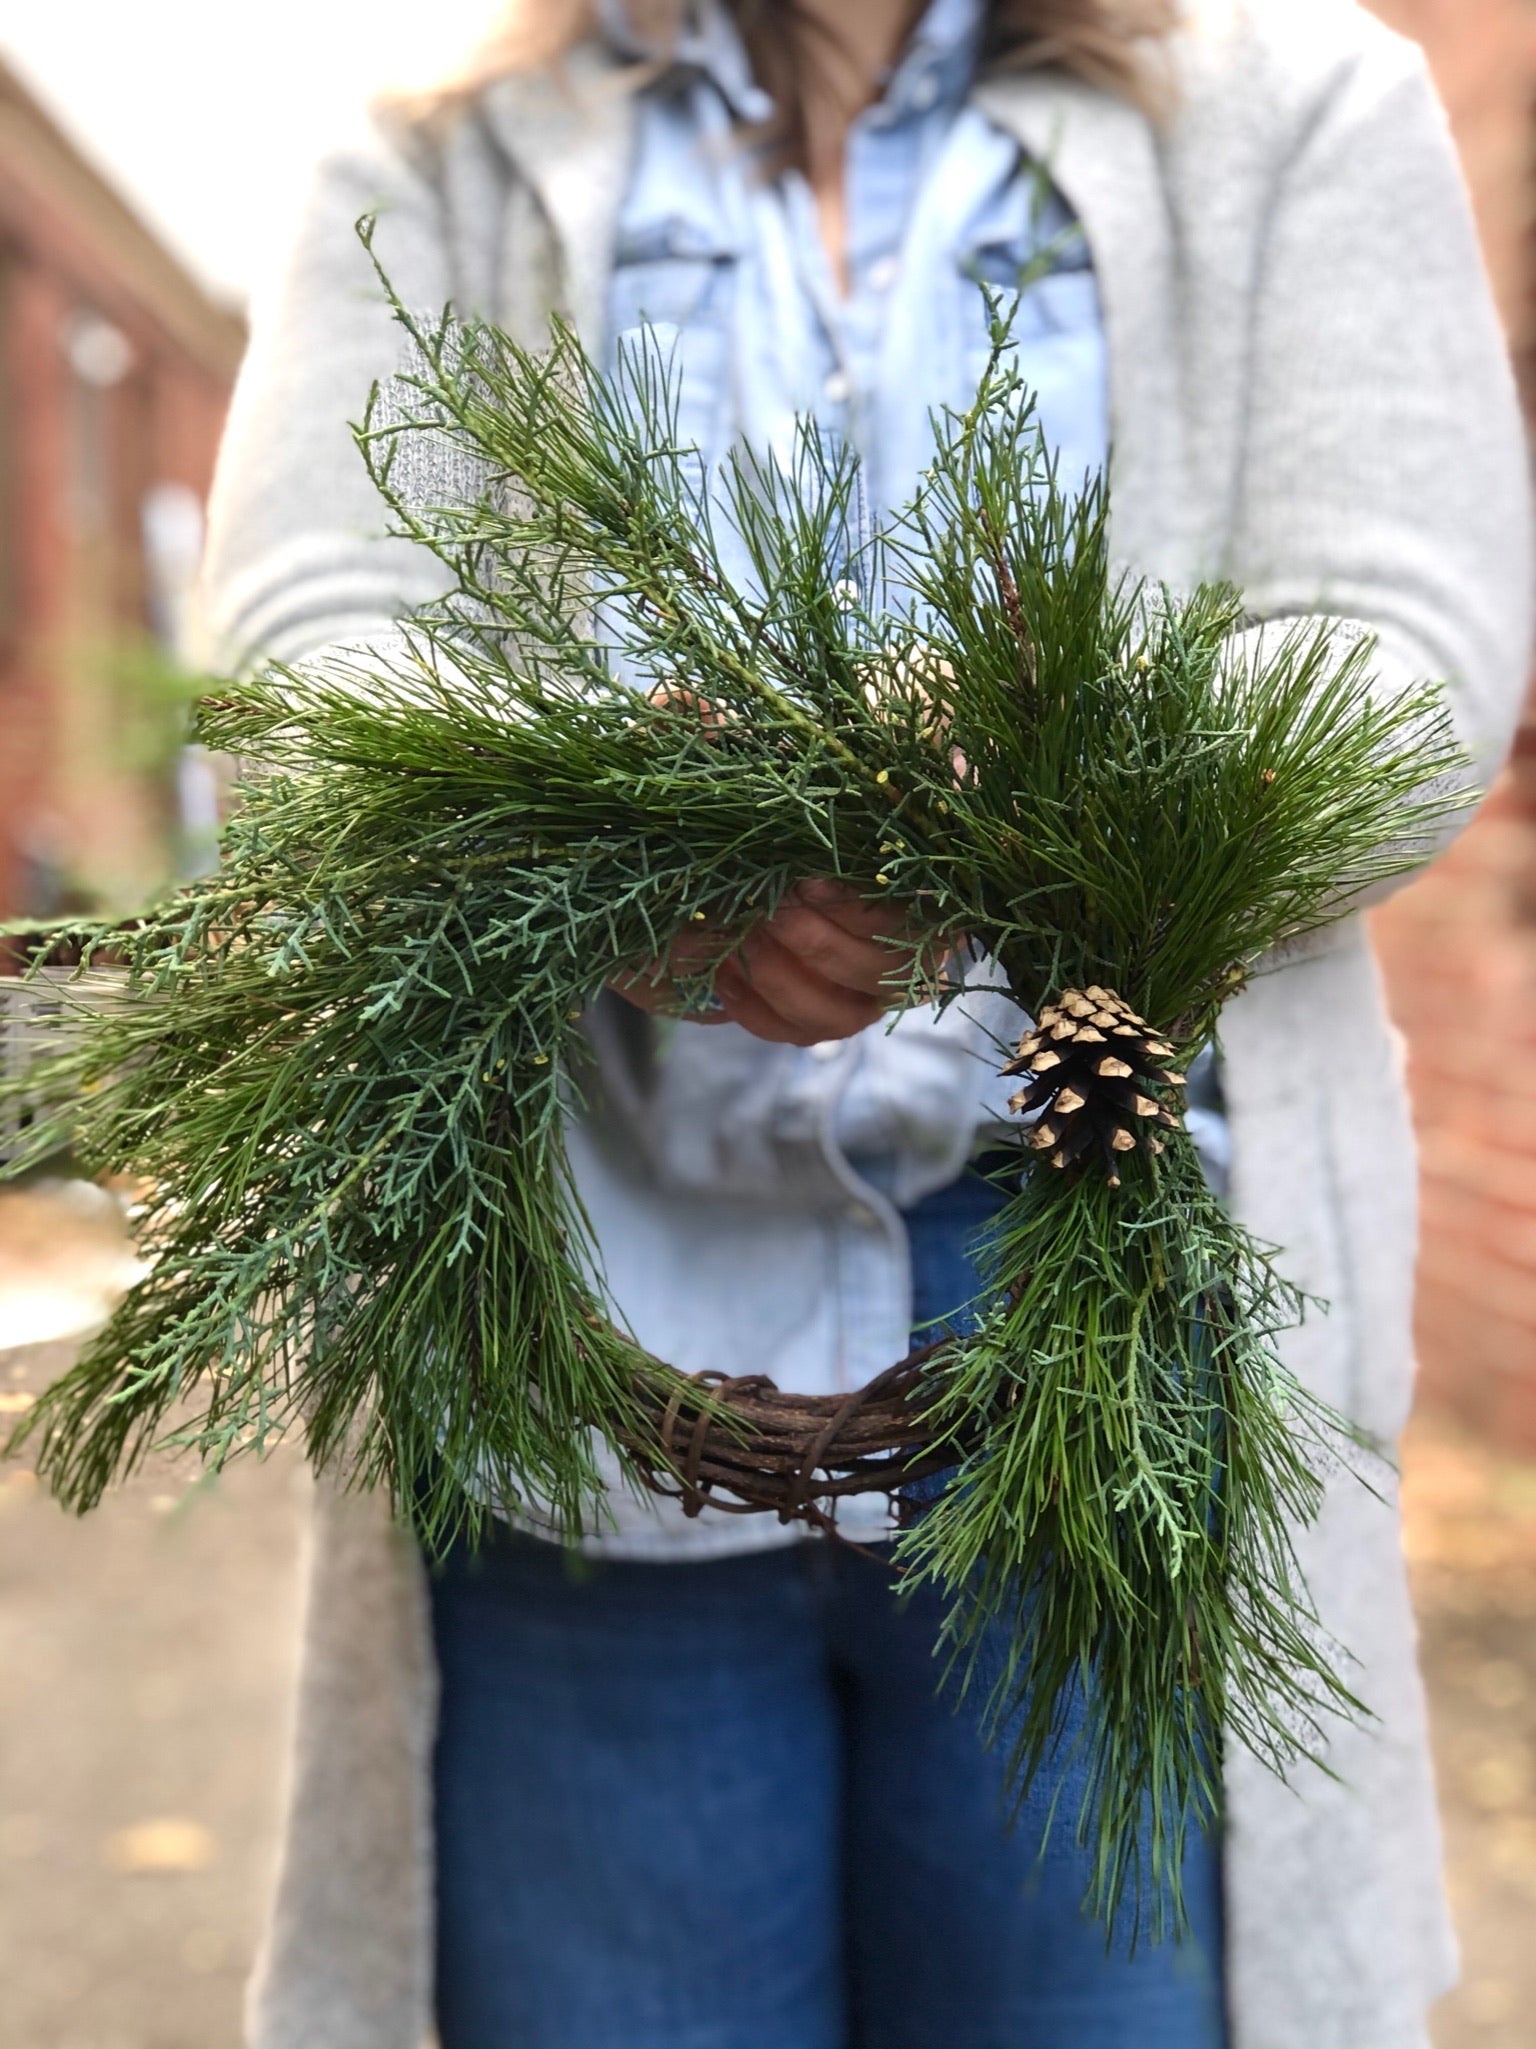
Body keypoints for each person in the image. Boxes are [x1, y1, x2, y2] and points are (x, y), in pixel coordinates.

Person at [201, 2, 1532, 2045]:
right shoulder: (443, 154)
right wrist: (635, 860)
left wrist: (1028, 813)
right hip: (580, 1343)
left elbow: (1403, 639)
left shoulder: (1293, 102)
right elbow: (312, 658)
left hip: (1109, 1338)